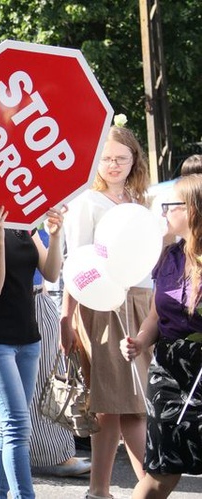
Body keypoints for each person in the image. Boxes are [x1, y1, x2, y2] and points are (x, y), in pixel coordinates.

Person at [61, 125, 152, 499]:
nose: (113, 165)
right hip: (102, 306)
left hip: (143, 302)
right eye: (106, 158)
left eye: (121, 158)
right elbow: (75, 264)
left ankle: (99, 490)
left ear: (135, 161)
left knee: (114, 405)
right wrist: (67, 319)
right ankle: (153, 485)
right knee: (130, 402)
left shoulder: (141, 200)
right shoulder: (86, 201)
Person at [0, 203, 64, 498]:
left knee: (11, 425)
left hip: (27, 335)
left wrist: (55, 235)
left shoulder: (24, 226)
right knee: (17, 422)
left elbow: (52, 272)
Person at [0, 238, 91, 477]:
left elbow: (51, 271)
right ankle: (37, 461)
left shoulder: (31, 224)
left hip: (35, 298)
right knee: (19, 400)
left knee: (40, 383)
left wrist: (55, 232)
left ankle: (41, 457)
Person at [119, 174, 202, 499]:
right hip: (168, 371)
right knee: (161, 472)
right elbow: (156, 315)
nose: (164, 212)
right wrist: (140, 340)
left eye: (172, 206)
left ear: (193, 209)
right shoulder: (168, 256)